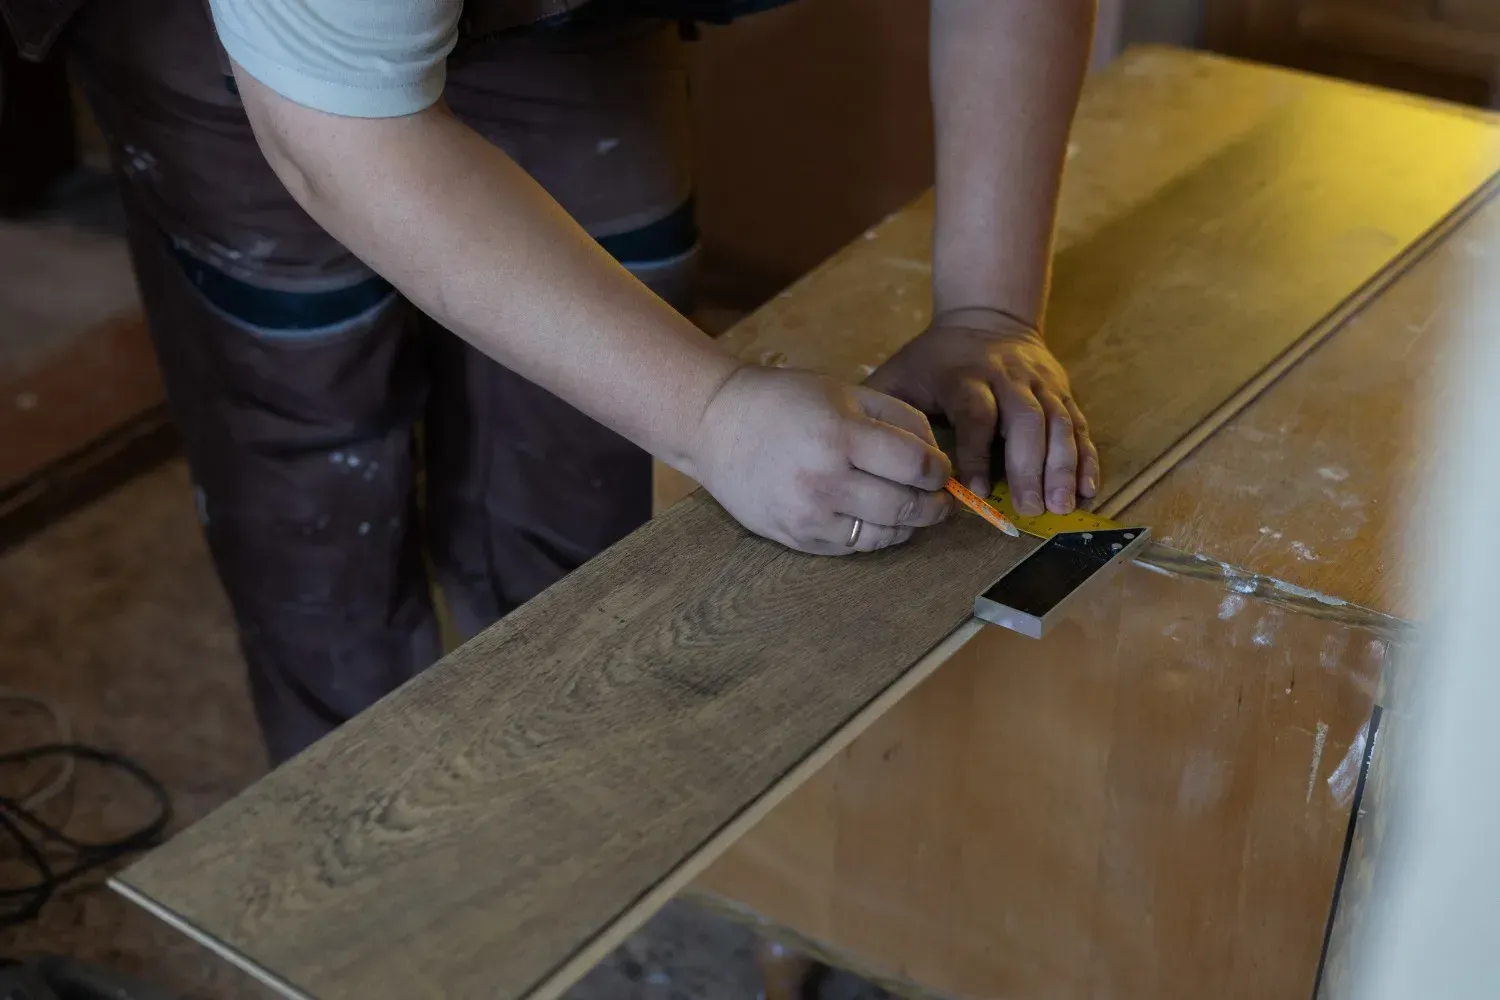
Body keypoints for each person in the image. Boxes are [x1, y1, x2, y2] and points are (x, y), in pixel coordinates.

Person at [1, 0, 1099, 762]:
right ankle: (360, 874)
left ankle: (554, 824)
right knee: (315, 483)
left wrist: (987, 313)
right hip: (237, 37)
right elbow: (336, 137)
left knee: (590, 450)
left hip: (557, 19)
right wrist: (712, 413)